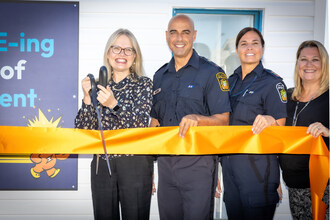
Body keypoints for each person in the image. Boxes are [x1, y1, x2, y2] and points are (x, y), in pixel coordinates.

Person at [150, 14, 231, 220]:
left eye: (185, 32)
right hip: (166, 167)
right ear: (166, 36)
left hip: (199, 166)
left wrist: (199, 119)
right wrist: (149, 165)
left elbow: (223, 121)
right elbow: (155, 123)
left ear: (194, 35)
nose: (179, 38)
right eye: (174, 32)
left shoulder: (212, 73)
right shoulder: (159, 76)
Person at [74, 28, 154, 220]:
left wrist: (113, 105)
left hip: (135, 163)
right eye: (116, 48)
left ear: (135, 57)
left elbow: (141, 124)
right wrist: (87, 98)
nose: (122, 54)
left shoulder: (144, 84)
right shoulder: (97, 85)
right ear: (108, 54)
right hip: (103, 163)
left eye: (128, 50)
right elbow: (82, 130)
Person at [221, 27, 287, 219]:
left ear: (263, 49)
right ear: (237, 49)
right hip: (230, 172)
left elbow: (280, 129)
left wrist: (270, 120)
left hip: (258, 175)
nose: (249, 48)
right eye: (244, 44)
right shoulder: (229, 82)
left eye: (255, 43)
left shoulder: (273, 83)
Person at [279, 40, 329, 219]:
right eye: (303, 59)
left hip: (324, 187)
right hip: (294, 187)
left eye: (315, 60)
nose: (309, 65)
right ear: (297, 64)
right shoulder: (288, 97)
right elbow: (279, 139)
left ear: (324, 64)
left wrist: (328, 131)